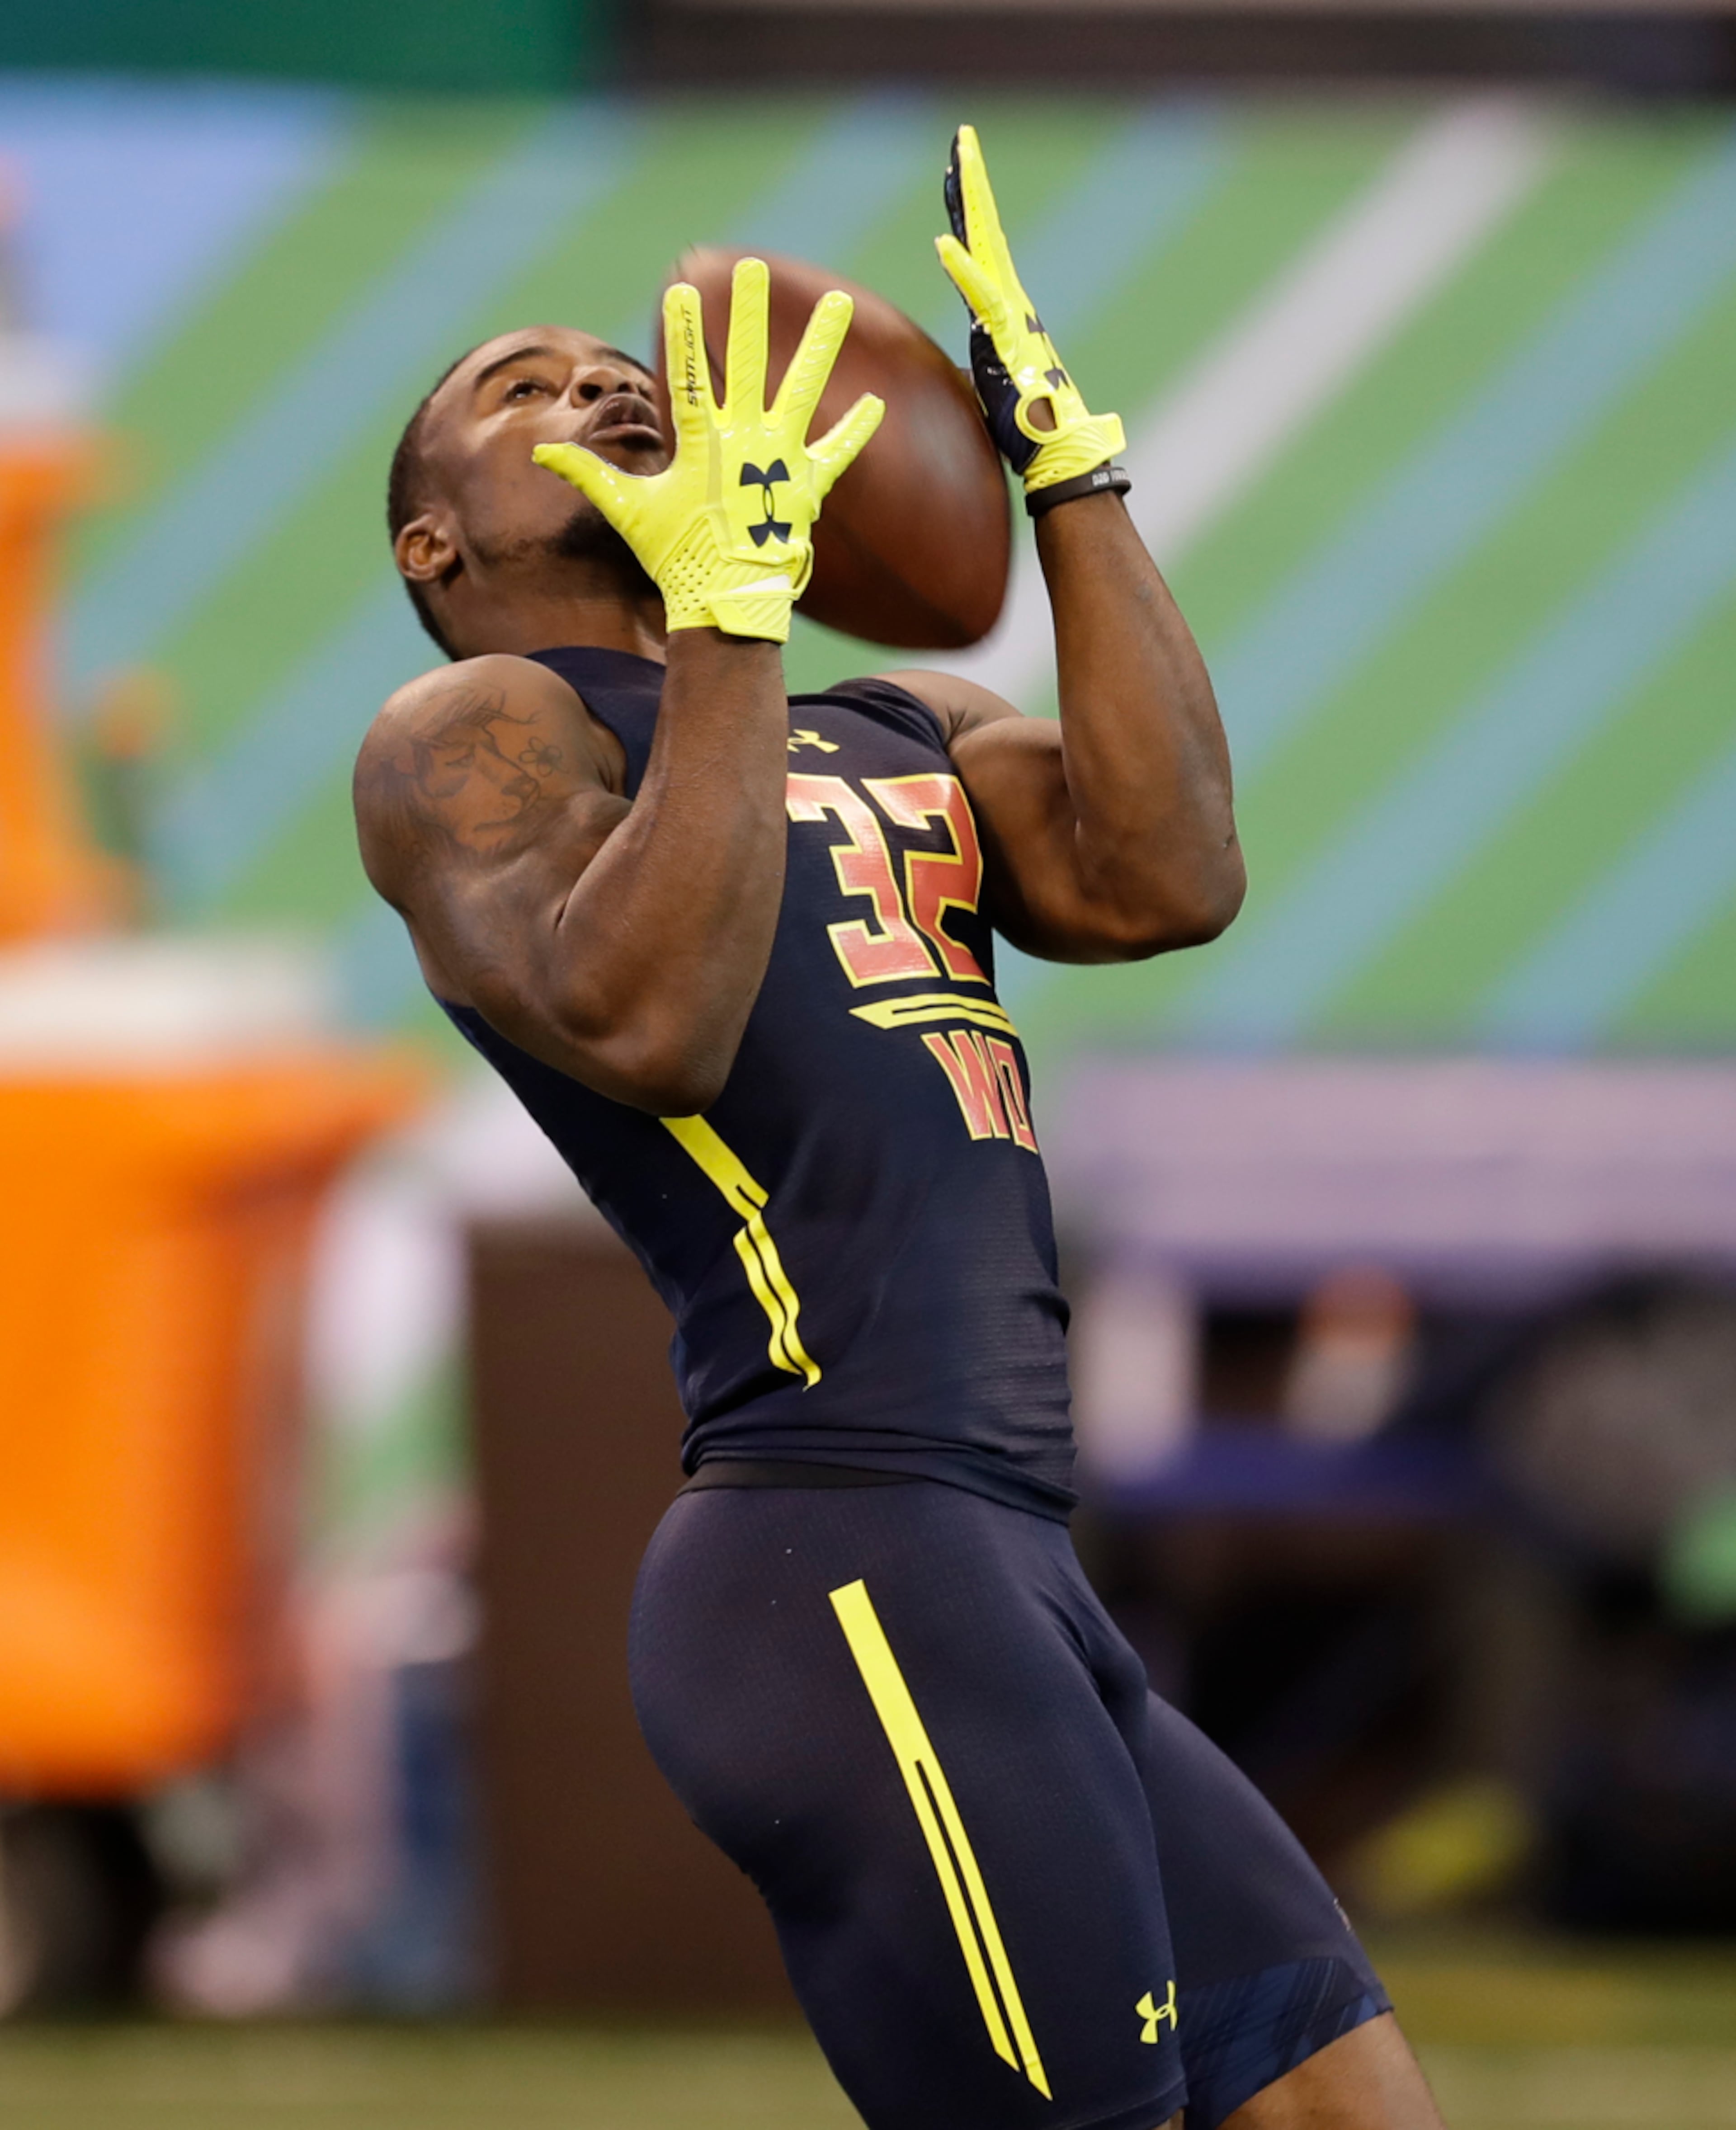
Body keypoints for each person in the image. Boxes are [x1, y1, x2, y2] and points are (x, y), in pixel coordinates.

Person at [355, 127, 1445, 2130]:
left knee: (1347, 2105)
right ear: (435, 546)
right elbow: (651, 1018)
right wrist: (731, 614)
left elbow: (1167, 871)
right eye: (524, 386)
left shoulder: (893, 723)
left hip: (1015, 1558)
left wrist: (1068, 468)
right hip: (834, 1544)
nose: (600, 380)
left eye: (618, 363)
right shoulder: (474, 735)